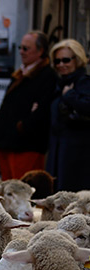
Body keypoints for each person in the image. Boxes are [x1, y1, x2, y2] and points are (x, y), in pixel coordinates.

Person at [0, 31, 56, 180]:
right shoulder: (20, 74)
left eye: (26, 48)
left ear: (40, 51)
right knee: (8, 190)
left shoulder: (47, 76)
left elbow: (41, 112)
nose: (21, 52)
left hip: (26, 146)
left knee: (23, 191)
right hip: (7, 143)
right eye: (20, 47)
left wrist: (22, 127)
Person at [45, 39, 90, 192]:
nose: (61, 64)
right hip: (59, 150)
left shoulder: (83, 82)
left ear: (77, 60)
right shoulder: (60, 84)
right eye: (57, 61)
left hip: (77, 155)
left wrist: (70, 96)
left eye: (66, 60)